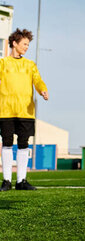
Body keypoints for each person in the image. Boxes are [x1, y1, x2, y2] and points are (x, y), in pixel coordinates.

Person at [0, 28, 49, 191]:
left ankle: (21, 180)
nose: (27, 47)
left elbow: (38, 80)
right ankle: (6, 180)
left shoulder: (30, 65)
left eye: (28, 44)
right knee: (6, 143)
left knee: (23, 144)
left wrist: (43, 89)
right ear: (14, 44)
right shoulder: (3, 63)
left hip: (26, 112)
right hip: (5, 110)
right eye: (24, 44)